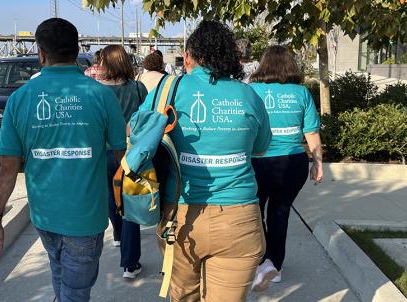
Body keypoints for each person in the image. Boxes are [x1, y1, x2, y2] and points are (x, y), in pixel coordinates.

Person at [0, 18, 127, 302]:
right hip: (86, 218)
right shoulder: (102, 96)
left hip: (44, 217)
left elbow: (7, 168)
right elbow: (123, 158)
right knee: (75, 290)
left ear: (41, 53)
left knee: (60, 274)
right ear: (77, 51)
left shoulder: (20, 99)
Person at [141, 20, 271, 301]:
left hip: (180, 216)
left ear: (188, 57)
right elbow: (260, 149)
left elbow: (136, 135)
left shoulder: (169, 90)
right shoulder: (248, 95)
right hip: (239, 219)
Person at [249, 45, 323, 291]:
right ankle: (275, 265)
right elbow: (311, 132)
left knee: (254, 214)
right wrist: (317, 163)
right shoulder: (301, 93)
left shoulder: (251, 91)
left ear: (264, 65)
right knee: (280, 213)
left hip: (258, 163)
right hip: (293, 163)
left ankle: (260, 260)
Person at [98, 44, 148, 279]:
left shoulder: (95, 91)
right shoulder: (137, 88)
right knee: (129, 205)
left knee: (110, 195)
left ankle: (118, 236)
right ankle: (130, 264)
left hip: (102, 153)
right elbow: (146, 119)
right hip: (130, 153)